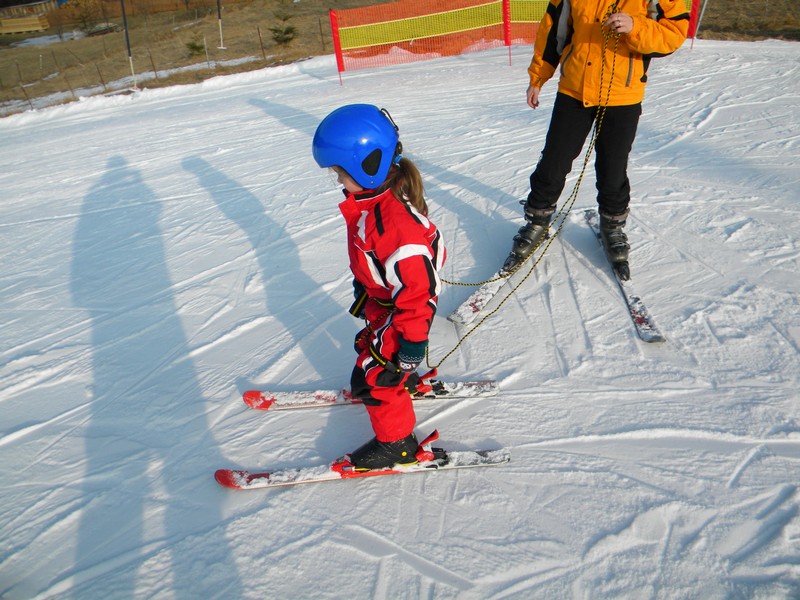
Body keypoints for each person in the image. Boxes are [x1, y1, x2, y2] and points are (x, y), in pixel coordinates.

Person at [502, 0, 690, 279]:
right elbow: (553, 32)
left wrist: (636, 26)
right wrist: (538, 77)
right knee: (554, 161)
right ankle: (537, 220)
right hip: (574, 91)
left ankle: (612, 224)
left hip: (623, 96)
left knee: (613, 167)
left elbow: (674, 33)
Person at [312, 104, 446, 470]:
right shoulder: (372, 205)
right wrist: (365, 288)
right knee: (374, 352)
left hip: (407, 309)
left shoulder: (394, 227)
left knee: (377, 376)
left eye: (341, 174)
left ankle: (397, 447)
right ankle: (405, 377)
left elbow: (417, 292)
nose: (339, 182)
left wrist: (412, 345)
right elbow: (372, 256)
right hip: (388, 302)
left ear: (367, 167)